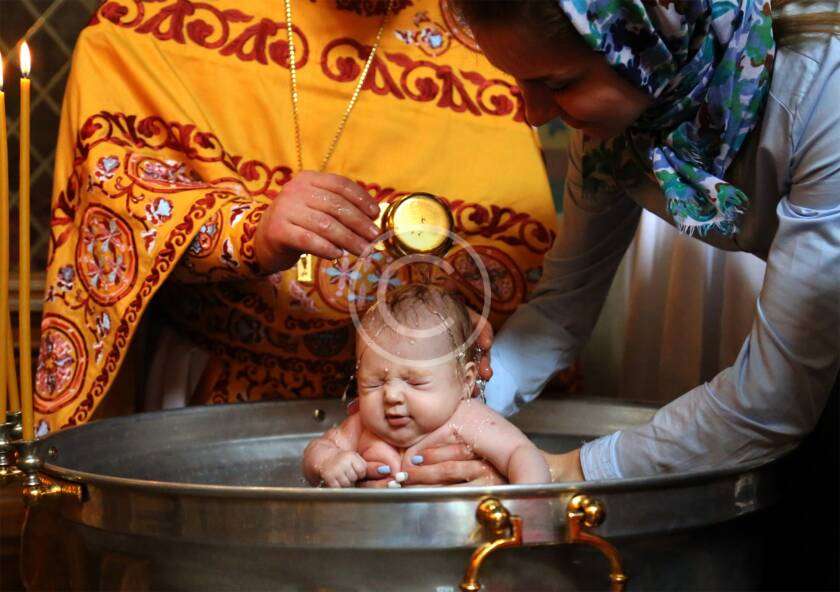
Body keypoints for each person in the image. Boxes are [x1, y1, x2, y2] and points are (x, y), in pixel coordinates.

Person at [32, 0, 558, 455]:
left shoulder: (482, 26)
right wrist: (247, 231)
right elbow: (110, 189)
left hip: (421, 414)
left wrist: (462, 312)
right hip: (212, 396)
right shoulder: (157, 17)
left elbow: (521, 235)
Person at [302, 284, 550, 487]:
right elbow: (317, 450)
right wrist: (328, 463)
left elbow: (521, 453)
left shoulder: (468, 420)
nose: (392, 395)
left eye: (415, 382)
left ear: (465, 381)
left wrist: (527, 506)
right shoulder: (361, 426)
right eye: (374, 384)